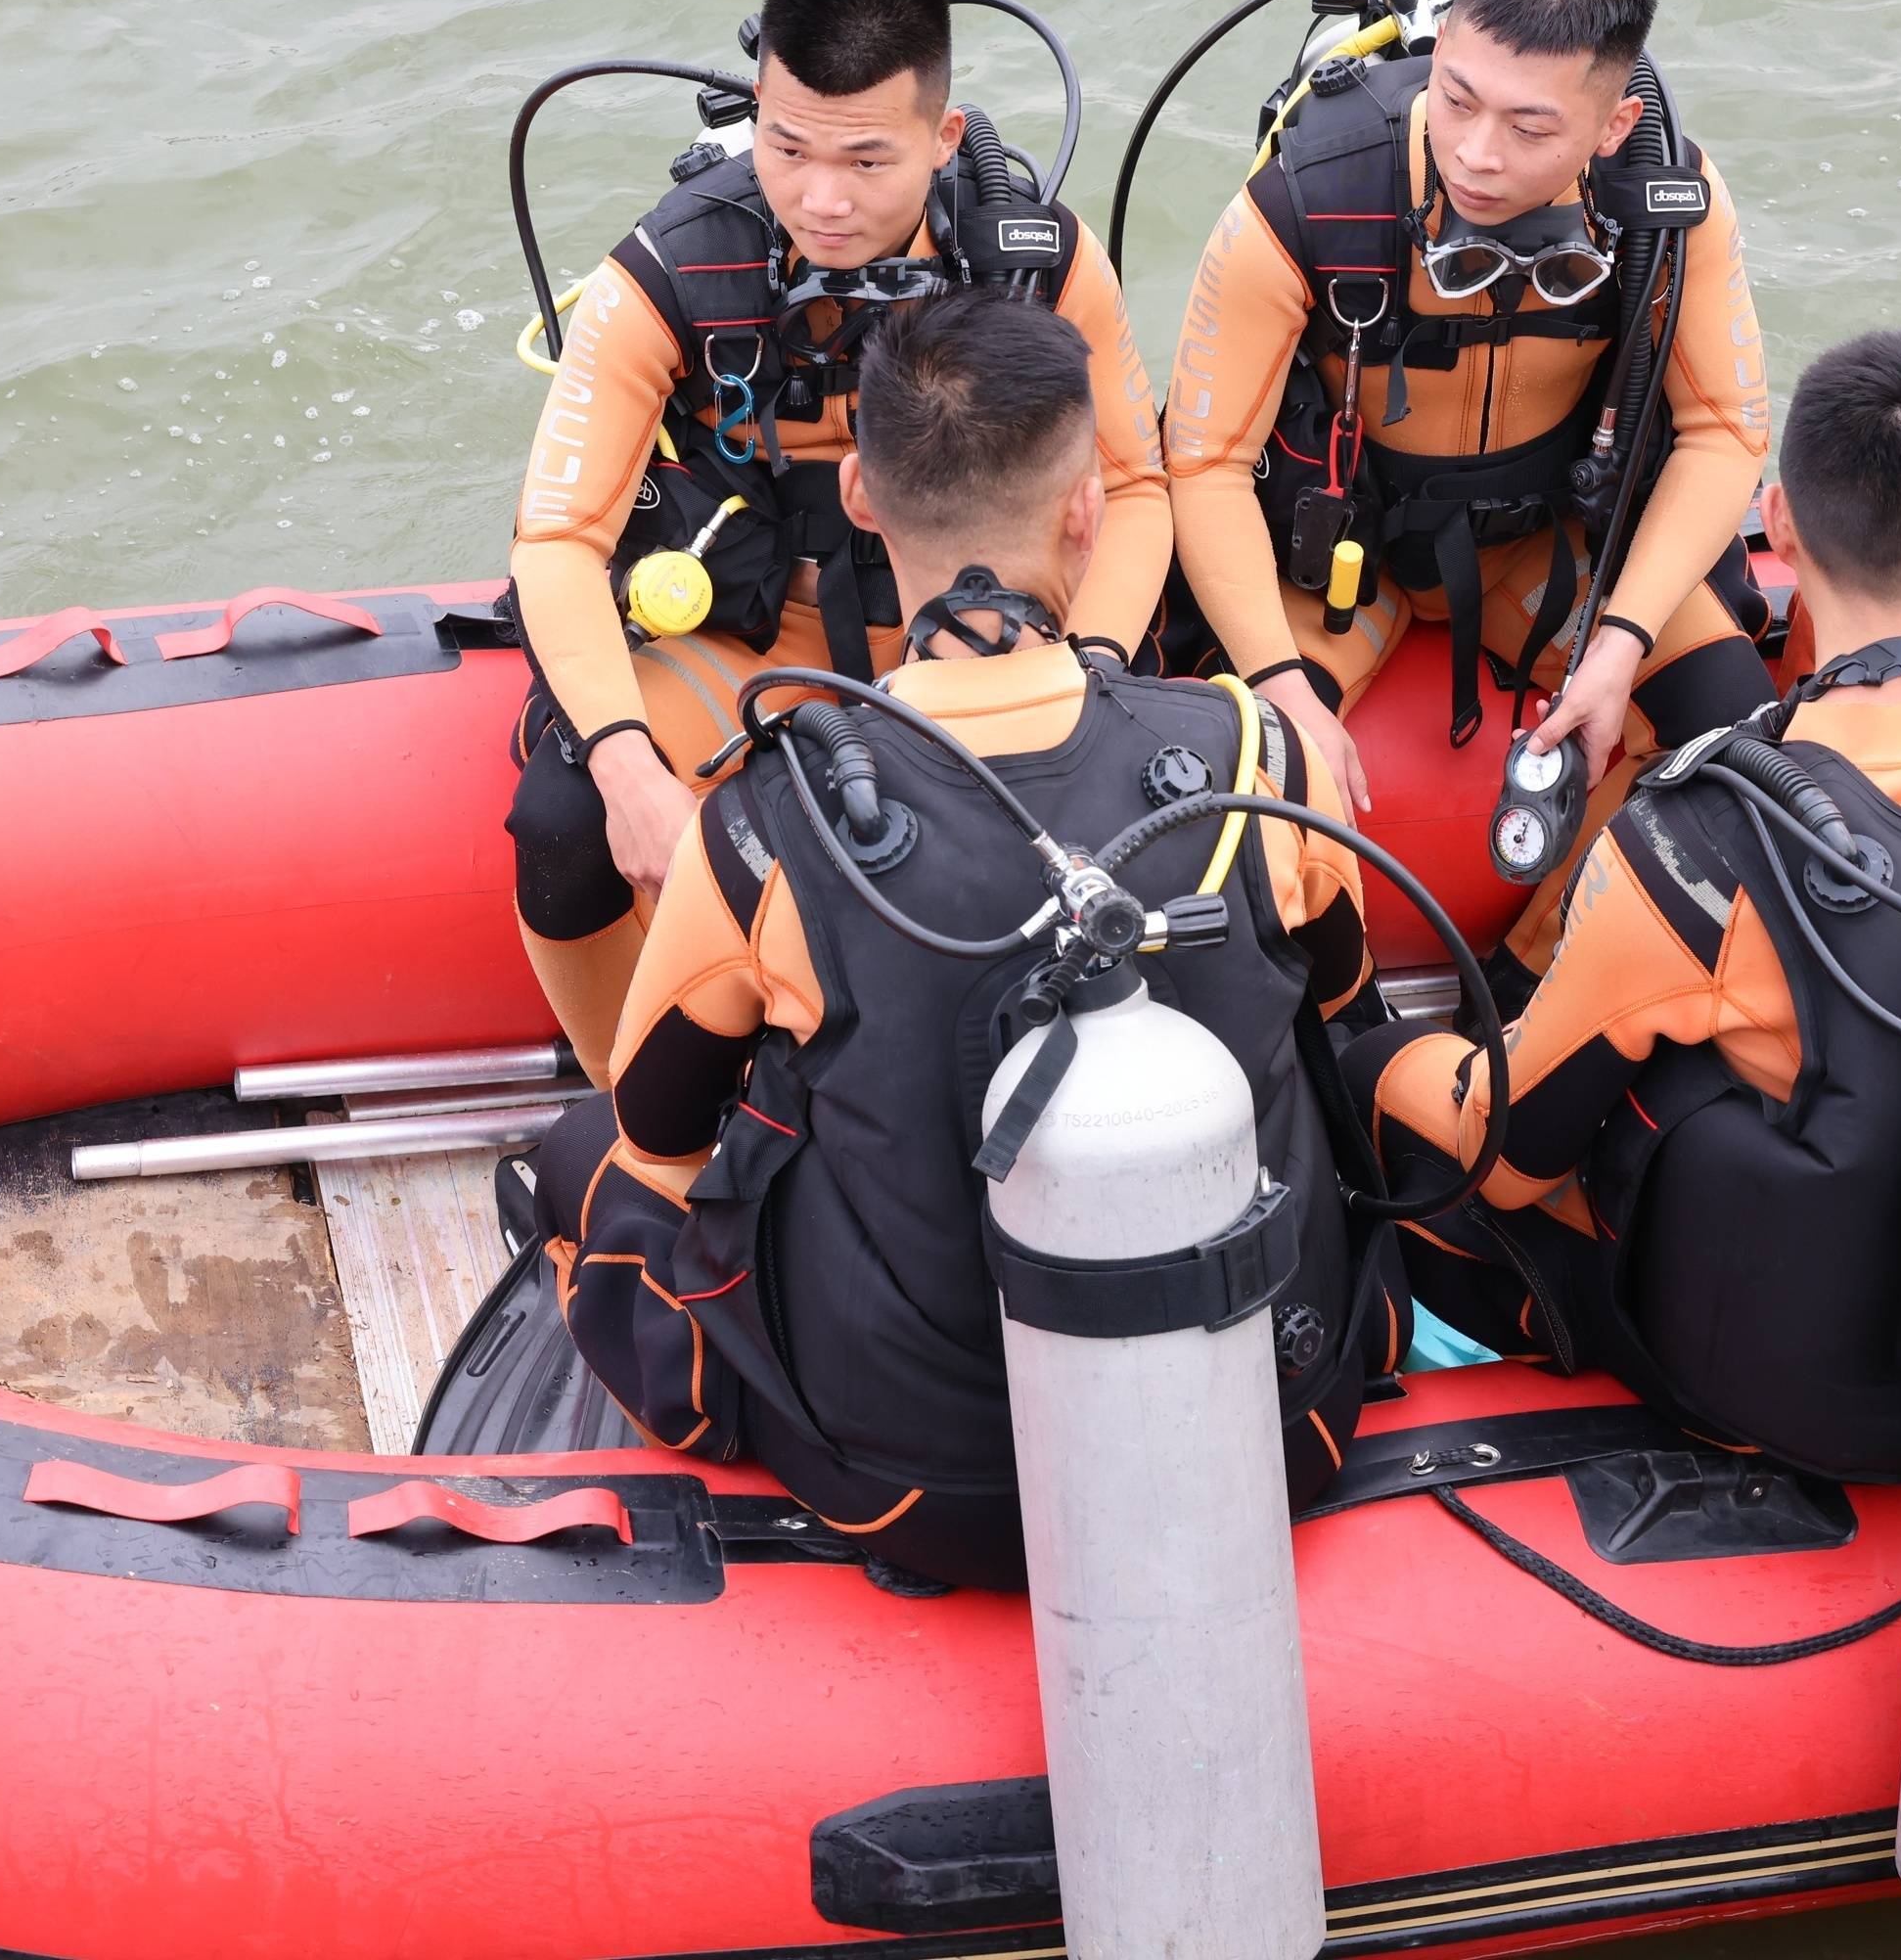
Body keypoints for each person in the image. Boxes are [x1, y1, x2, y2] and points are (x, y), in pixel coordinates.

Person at [528, 292, 1399, 1592]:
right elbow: (1344, 1025)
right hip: (1279, 1431)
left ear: (863, 504)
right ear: (1088, 514)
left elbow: (658, 1127)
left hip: (918, 1488)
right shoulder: (1257, 757)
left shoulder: (766, 817)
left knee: (575, 1159)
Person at [1343, 329, 1901, 1481]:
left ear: (1780, 526)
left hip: (1803, 1407)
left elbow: (1505, 1158)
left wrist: (1374, 1054)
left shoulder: (1698, 843)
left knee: (1405, 1092)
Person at [504, 0, 1170, 1067]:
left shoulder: (1037, 261)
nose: (820, 198)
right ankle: (636, 1089)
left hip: (987, 637)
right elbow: (557, 540)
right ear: (757, 107)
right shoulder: (670, 270)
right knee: (563, 827)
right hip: (760, 641)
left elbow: (1140, 489)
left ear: (943, 136)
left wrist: (1092, 674)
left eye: (867, 161)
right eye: (787, 145)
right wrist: (625, 770)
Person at [1162, 0, 1777, 1005]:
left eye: (1531, 127)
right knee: (1224, 775)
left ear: (1609, 124)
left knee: (1735, 742)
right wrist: (1284, 689)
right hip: (1340, 565)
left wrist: (1622, 645)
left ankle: (1534, 993)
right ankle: (1344, 1039)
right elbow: (1203, 461)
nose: (1480, 154)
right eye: (1456, 100)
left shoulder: (1666, 205)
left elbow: (1724, 429)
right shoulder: (1308, 198)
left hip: (1545, 554)